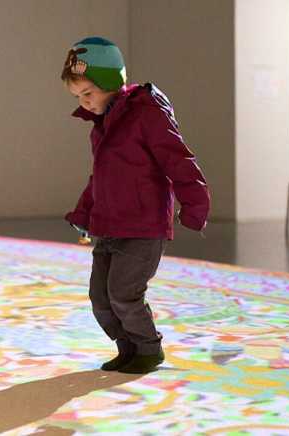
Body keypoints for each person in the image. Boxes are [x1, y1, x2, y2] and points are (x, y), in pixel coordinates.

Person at [62, 37, 210, 374]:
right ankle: (127, 347)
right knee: (100, 298)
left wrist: (195, 204)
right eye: (77, 97)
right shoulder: (101, 126)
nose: (84, 103)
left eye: (88, 93)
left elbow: (178, 160)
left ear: (110, 81)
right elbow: (100, 176)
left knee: (123, 293)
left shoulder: (147, 113)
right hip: (108, 226)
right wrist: (84, 213)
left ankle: (148, 349)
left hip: (143, 226)